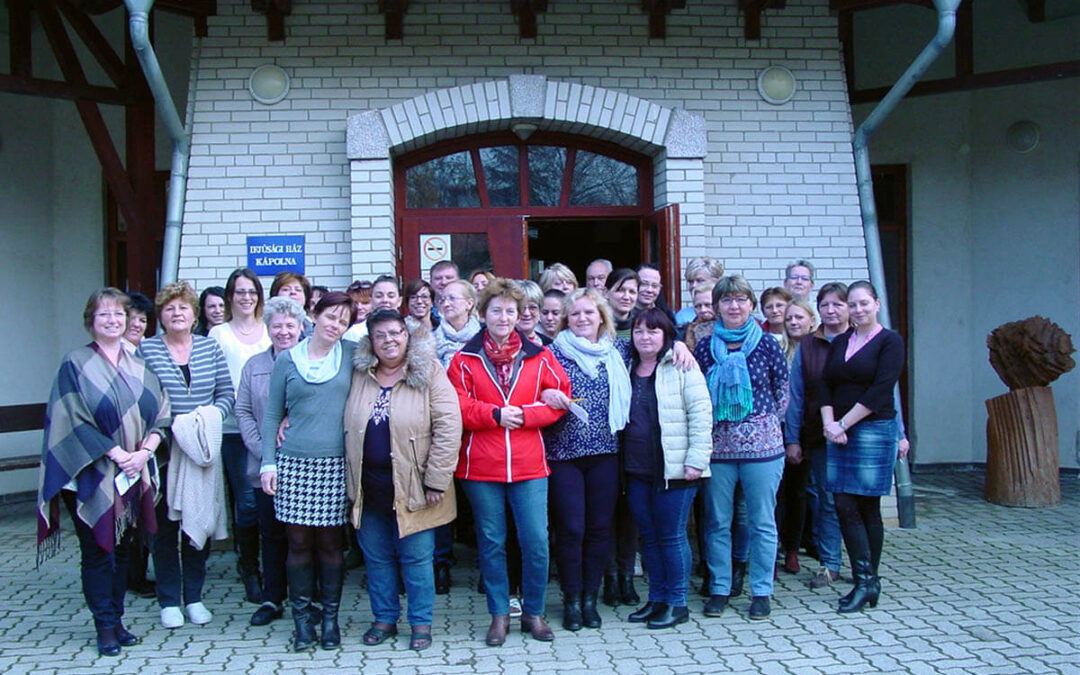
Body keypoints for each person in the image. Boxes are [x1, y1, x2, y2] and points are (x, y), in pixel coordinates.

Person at [38, 288, 170, 656]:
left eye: (119, 314)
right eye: (104, 315)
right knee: (99, 550)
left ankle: (118, 619)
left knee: (125, 548)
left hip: (132, 471)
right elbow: (72, 419)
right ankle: (104, 626)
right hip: (90, 474)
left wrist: (144, 452)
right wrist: (116, 452)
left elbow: (162, 413)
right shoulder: (75, 364)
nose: (112, 321)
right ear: (90, 321)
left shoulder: (139, 364)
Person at [447, 278, 570, 646]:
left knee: (536, 540)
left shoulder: (540, 355)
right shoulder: (463, 359)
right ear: (481, 314)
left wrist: (526, 416)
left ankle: (533, 612)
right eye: (496, 310)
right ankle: (499, 614)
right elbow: (458, 406)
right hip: (480, 466)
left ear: (520, 316)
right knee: (492, 541)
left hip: (529, 463)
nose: (504, 317)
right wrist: (495, 415)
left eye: (511, 311)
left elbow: (561, 397)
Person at [344, 309, 463, 651]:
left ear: (407, 336)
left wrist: (437, 479)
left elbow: (448, 425)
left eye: (395, 333)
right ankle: (384, 618)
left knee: (416, 558)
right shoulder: (359, 374)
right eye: (380, 335)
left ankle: (421, 623)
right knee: (377, 557)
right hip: (368, 486)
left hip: (417, 486)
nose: (388, 341)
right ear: (370, 341)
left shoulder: (429, 373)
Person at [260, 292, 356, 651]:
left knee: (331, 545)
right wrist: (268, 461)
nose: (335, 325)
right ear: (313, 315)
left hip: (334, 463)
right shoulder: (287, 360)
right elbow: (272, 414)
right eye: (331, 316)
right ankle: (302, 623)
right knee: (298, 544)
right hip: (294, 463)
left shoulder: (351, 355)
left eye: (343, 321)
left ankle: (330, 620)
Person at [138, 282, 234, 629]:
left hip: (203, 450)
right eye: (169, 308)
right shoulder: (146, 351)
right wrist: (171, 426)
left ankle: (194, 596)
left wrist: (207, 419)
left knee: (200, 524)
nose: (177, 313)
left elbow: (227, 394)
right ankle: (168, 600)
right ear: (160, 316)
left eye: (183, 308)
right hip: (163, 450)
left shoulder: (209, 348)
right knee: (164, 528)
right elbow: (141, 400)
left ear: (195, 315)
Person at [694, 275, 789, 621]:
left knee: (762, 522)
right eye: (726, 300)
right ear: (716, 306)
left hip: (763, 451)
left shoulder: (767, 344)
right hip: (718, 451)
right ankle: (719, 588)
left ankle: (761, 590)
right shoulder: (704, 348)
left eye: (740, 299)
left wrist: (763, 426)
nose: (734, 306)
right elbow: (697, 394)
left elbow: (784, 390)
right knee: (718, 522)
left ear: (751, 304)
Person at [540, 288, 631, 632]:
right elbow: (533, 391)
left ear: (601, 318)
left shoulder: (618, 351)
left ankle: (590, 599)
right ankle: (571, 599)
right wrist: (545, 393)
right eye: (575, 314)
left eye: (589, 313)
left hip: (606, 454)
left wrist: (681, 345)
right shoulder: (550, 354)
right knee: (571, 529)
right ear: (566, 318)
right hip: (563, 455)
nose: (582, 319)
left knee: (598, 529)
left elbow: (660, 347)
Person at [623, 308, 711, 629]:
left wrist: (696, 460)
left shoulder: (682, 365)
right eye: (639, 331)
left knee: (672, 536)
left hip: (674, 468)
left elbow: (701, 414)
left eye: (653, 331)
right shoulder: (627, 366)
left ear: (666, 335)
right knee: (649, 537)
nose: (645, 337)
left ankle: (677, 603)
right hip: (636, 470)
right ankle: (657, 599)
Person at [820, 281, 905, 614]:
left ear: (877, 304)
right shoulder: (841, 340)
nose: (857, 310)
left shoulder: (890, 341)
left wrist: (843, 424)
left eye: (863, 303)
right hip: (838, 432)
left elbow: (881, 390)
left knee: (866, 506)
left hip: (871, 429)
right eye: (852, 305)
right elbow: (825, 383)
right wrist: (830, 424)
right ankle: (866, 582)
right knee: (842, 502)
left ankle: (866, 582)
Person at [235, 296, 306, 627]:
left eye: (290, 325)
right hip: (266, 466)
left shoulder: (312, 361)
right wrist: (263, 448)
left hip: (306, 464)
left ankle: (309, 598)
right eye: (277, 325)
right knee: (272, 534)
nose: (283, 331)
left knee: (306, 536)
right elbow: (244, 411)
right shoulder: (255, 366)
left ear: (301, 328)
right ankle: (272, 597)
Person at [209, 268, 272, 604]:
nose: (246, 297)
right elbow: (217, 381)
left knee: (271, 501)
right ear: (230, 296)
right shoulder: (219, 334)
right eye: (240, 292)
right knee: (247, 502)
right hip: (235, 430)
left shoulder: (268, 330)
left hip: (272, 429)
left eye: (252, 292)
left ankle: (274, 565)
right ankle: (249, 567)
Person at [784, 282, 850, 589]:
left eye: (838, 304)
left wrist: (900, 434)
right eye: (826, 305)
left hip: (861, 433)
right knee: (826, 499)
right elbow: (796, 396)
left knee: (858, 500)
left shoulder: (863, 339)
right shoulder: (810, 345)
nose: (831, 310)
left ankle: (864, 564)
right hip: (819, 434)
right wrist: (793, 439)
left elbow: (885, 389)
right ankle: (829, 563)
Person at [776, 298, 819, 575]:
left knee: (797, 492)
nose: (793, 322)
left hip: (802, 430)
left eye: (799, 318)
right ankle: (775, 548)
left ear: (811, 321)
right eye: (789, 318)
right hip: (774, 429)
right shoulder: (776, 347)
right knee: (775, 494)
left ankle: (792, 549)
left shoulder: (816, 350)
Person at [120, 290, 158, 599]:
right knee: (125, 515)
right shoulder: (113, 355)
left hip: (144, 446)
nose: (137, 324)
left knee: (139, 514)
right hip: (120, 449)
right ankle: (127, 577)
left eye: (143, 319)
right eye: (131, 318)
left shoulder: (143, 352)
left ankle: (135, 574)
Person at [432, 279, 481, 368]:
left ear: (469, 303)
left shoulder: (483, 337)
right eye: (443, 300)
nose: (446, 304)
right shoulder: (432, 340)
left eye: (452, 298)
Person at [674, 257, 724, 328]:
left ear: (717, 282)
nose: (694, 286)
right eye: (691, 281)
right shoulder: (682, 316)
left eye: (700, 280)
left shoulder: (730, 312)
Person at [605, 268, 640, 339]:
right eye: (620, 290)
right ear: (606, 292)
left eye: (632, 292)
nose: (626, 297)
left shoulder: (642, 325)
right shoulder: (596, 326)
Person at [683, 282, 717, 353]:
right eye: (698, 306)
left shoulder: (730, 326)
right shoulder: (688, 330)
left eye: (707, 305)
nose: (703, 310)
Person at [516, 280, 550, 346]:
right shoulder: (500, 343)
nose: (526, 313)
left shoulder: (549, 345)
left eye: (532, 307)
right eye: (521, 307)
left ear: (540, 310)